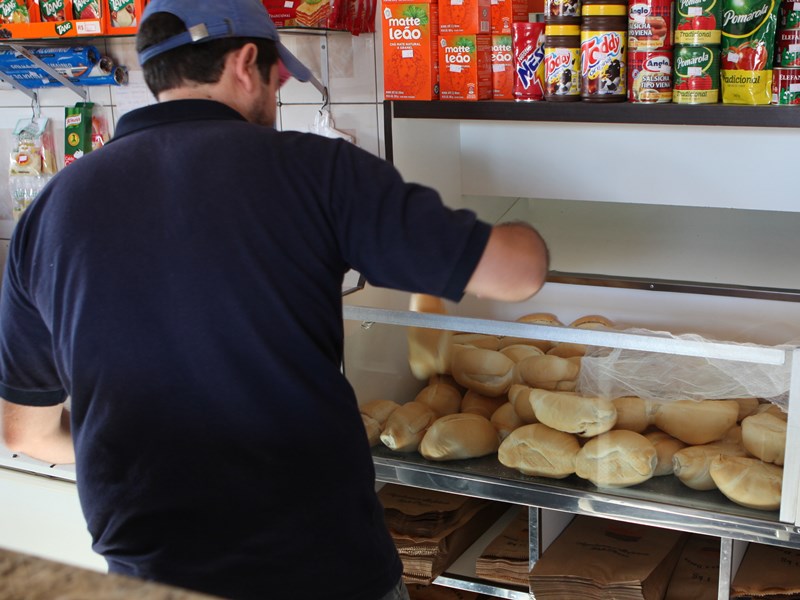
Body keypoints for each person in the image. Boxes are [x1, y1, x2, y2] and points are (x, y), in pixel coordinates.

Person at [0, 0, 549, 599]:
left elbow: (25, 433)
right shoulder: (314, 172)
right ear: (242, 63)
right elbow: (517, 274)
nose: (281, 83)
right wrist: (525, 229)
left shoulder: (54, 207)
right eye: (276, 70)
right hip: (320, 572)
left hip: (149, 578)